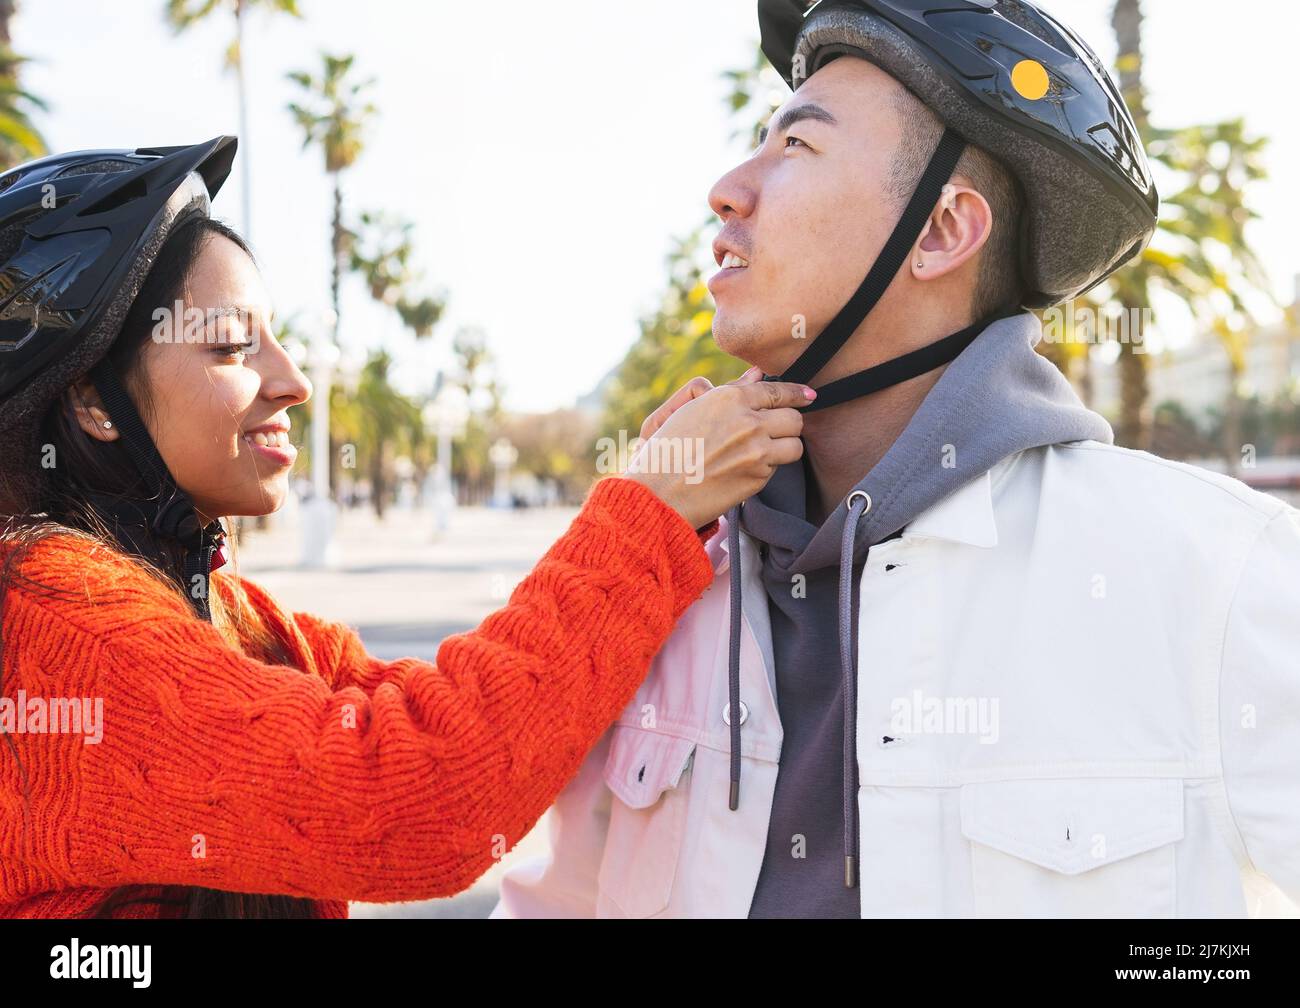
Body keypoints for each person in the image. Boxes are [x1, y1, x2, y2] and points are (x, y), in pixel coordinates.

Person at [494, 0, 1300, 918]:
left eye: (795, 148)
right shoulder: (660, 577)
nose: (726, 188)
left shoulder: (1216, 575)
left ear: (942, 232)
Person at [0, 137, 814, 918]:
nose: (291, 382)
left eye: (278, 340)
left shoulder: (230, 613)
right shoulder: (57, 624)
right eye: (231, 347)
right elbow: (416, 797)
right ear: (93, 402)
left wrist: (660, 505)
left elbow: (451, 710)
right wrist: (649, 514)